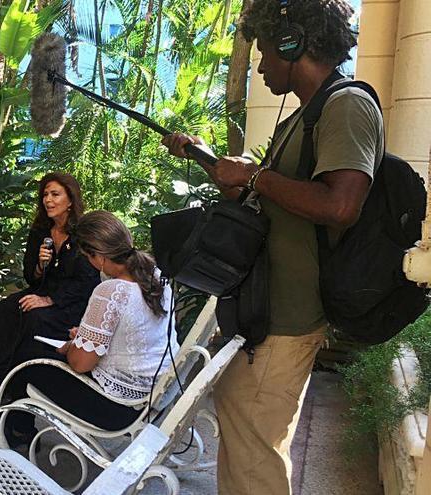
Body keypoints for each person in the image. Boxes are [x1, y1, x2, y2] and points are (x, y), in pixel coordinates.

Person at [162, 1, 380, 493]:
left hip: (289, 317)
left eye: (264, 53)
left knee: (254, 451)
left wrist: (256, 174)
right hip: (266, 312)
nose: (259, 67)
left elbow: (342, 205)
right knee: (248, 441)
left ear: (293, 44)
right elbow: (267, 199)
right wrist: (206, 159)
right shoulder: (303, 118)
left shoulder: (346, 104)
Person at [0, 210, 177, 435]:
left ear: (99, 256)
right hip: (155, 394)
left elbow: (80, 364)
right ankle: (18, 430)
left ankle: (14, 432)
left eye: (88, 257)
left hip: (119, 409)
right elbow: (136, 332)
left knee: (27, 358)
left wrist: (72, 346)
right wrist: (86, 337)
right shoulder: (155, 276)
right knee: (37, 350)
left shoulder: (111, 290)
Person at [0, 172, 100, 408]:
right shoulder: (40, 232)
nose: (48, 200)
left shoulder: (84, 234)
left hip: (72, 301)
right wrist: (41, 266)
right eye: (45, 195)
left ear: (70, 200)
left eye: (55, 194)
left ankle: (19, 385)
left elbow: (87, 281)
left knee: (33, 318)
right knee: (4, 311)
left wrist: (50, 300)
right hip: (42, 290)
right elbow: (30, 277)